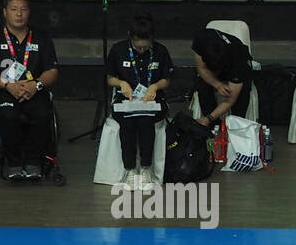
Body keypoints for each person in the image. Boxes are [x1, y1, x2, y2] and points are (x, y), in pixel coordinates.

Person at [0, 0, 60, 181]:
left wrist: (35, 85)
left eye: (23, 9)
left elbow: (52, 71)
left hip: (34, 90)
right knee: (8, 114)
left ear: (29, 12)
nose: (19, 14)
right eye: (14, 9)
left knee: (42, 113)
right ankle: (14, 163)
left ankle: (33, 162)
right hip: (4, 89)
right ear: (5, 12)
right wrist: (7, 85)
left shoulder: (42, 38)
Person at [105, 14, 174, 191]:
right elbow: (110, 78)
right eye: (138, 46)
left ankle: (145, 168)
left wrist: (155, 86)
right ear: (131, 37)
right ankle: (129, 170)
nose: (142, 50)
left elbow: (167, 79)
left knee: (145, 121)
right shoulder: (118, 50)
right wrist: (122, 83)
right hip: (125, 100)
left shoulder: (160, 51)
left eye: (146, 46)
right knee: (127, 123)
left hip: (152, 101)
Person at [191, 26, 253, 127]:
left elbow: (230, 100)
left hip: (236, 66)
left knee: (242, 95)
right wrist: (217, 84)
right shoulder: (202, 38)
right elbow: (201, 68)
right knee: (202, 86)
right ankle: (212, 126)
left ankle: (236, 125)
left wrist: (209, 117)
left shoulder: (238, 61)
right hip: (218, 65)